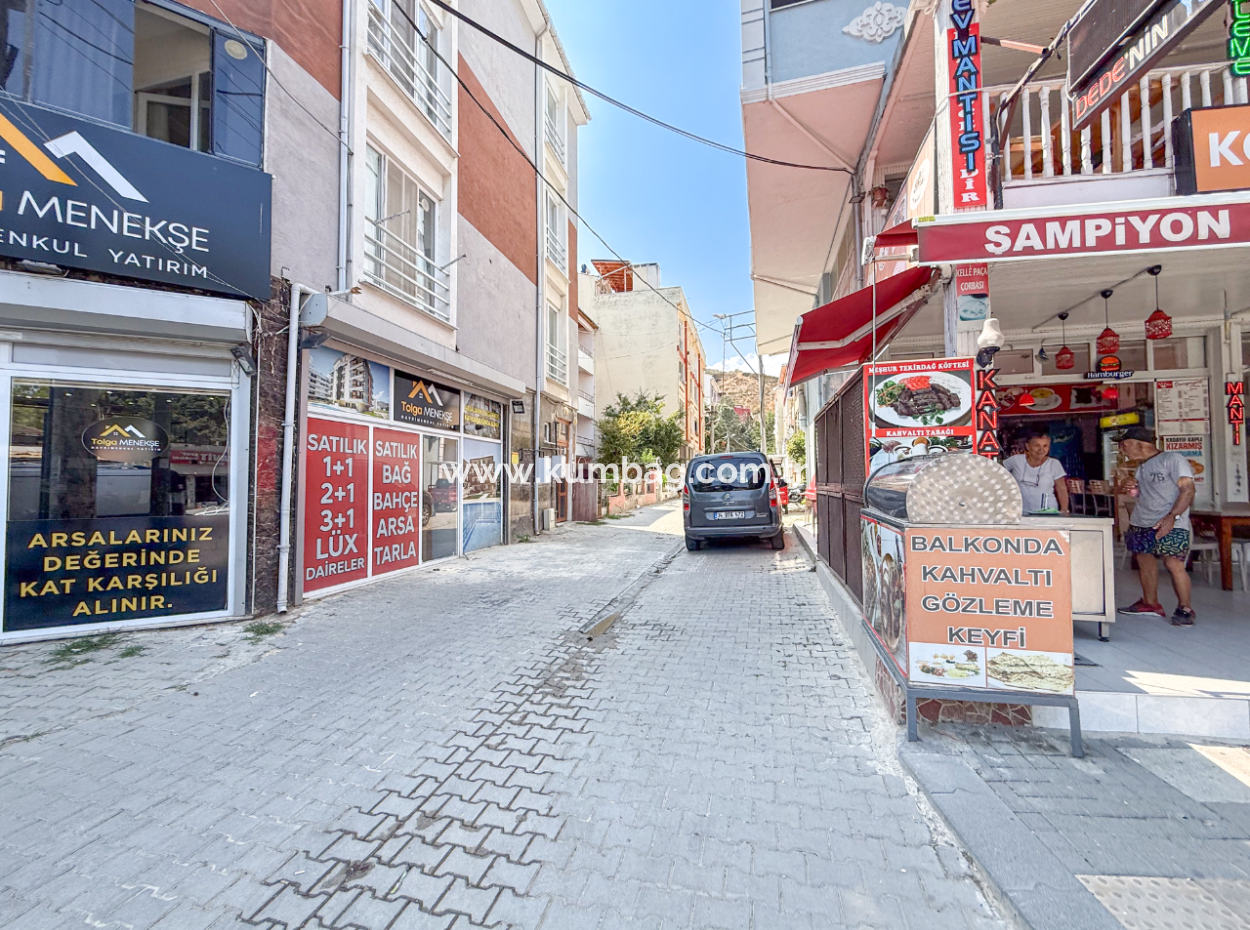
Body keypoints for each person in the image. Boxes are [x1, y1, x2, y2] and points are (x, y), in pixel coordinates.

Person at [1116, 427, 1197, 625]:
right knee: (1144, 560)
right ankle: (1150, 603)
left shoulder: (1173, 459)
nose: (1122, 449)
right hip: (1142, 521)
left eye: (1124, 444)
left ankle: (1185, 608)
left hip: (1171, 522)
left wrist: (1172, 517)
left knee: (1173, 563)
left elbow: (1188, 490)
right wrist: (1131, 488)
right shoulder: (1142, 466)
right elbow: (1140, 494)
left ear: (1138, 443)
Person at [1003, 431, 1070, 514]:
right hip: (1020, 512)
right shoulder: (1015, 460)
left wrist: (1064, 509)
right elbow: (997, 473)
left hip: (1047, 512)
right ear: (1027, 446)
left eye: (1045, 446)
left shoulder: (1054, 463)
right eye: (1037, 445)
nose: (1041, 450)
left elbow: (1061, 489)